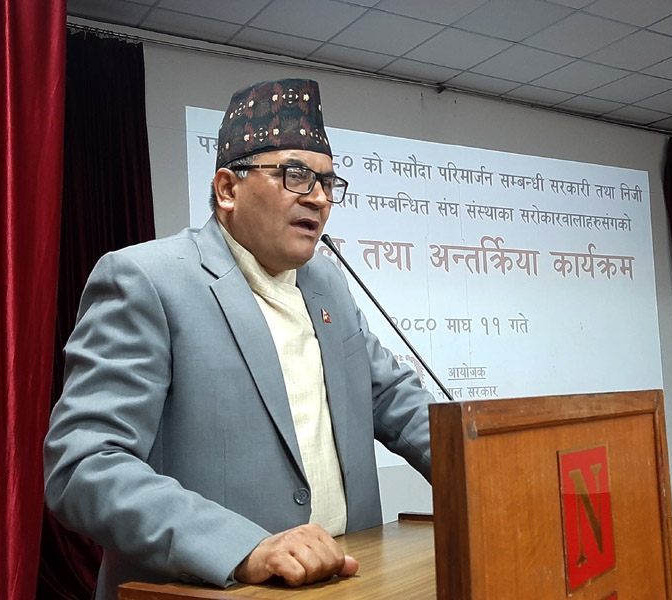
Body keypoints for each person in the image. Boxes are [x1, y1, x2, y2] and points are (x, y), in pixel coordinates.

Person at [43, 78, 435, 600]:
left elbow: (394, 400)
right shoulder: (146, 279)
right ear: (228, 189)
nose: (319, 198)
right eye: (296, 176)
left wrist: (490, 468)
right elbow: (84, 465)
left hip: (346, 584)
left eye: (327, 182)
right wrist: (242, 548)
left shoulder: (328, 283)